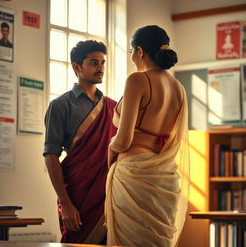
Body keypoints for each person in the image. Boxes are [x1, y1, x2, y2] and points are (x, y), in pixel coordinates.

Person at [105, 25, 190, 247]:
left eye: (131, 51)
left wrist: (111, 144)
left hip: (133, 175)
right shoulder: (179, 88)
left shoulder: (137, 80)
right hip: (165, 177)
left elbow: (123, 141)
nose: (132, 57)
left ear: (140, 51)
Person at [43, 40, 117, 244]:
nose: (101, 68)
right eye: (94, 63)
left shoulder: (114, 107)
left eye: (102, 63)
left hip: (109, 195)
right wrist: (66, 204)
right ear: (77, 67)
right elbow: (51, 155)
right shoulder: (60, 105)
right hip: (77, 194)